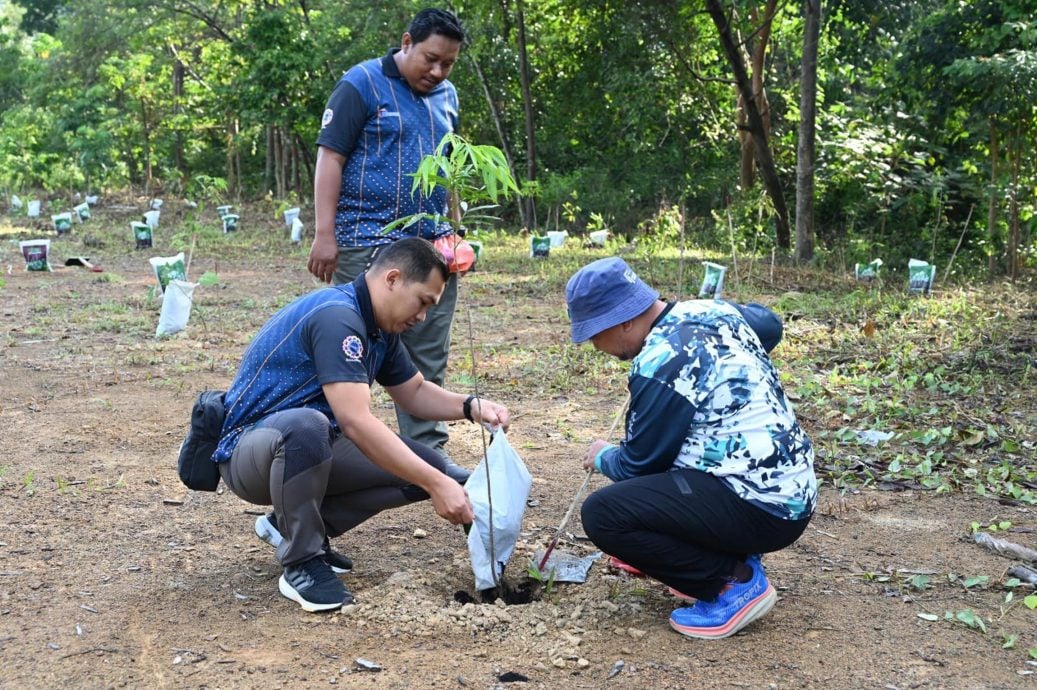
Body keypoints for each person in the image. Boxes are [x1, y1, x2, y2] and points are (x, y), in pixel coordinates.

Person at [214, 238, 509, 613]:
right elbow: (354, 421)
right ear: (392, 279)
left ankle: (289, 525)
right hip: (250, 453)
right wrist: (438, 486)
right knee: (308, 425)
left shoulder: (378, 328)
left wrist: (470, 406)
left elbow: (414, 392)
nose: (423, 317)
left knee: (428, 468)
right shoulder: (339, 318)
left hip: (307, 449)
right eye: (423, 302)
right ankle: (301, 562)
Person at [565, 257, 816, 639]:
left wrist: (602, 455)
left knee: (605, 513)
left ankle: (732, 582)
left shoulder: (660, 363)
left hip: (759, 506)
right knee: (661, 478)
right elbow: (770, 324)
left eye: (595, 334)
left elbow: (638, 466)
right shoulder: (711, 310)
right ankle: (720, 556)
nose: (596, 346)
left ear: (624, 321)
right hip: (790, 492)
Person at [308, 8, 471, 484]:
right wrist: (324, 233)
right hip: (366, 242)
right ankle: (330, 451)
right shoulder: (360, 84)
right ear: (406, 42)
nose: (437, 72)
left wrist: (455, 232)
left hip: (431, 245)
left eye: (448, 64)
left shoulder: (448, 96)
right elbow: (330, 157)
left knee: (427, 353)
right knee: (352, 351)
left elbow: (451, 167)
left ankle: (428, 459)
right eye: (430, 59)